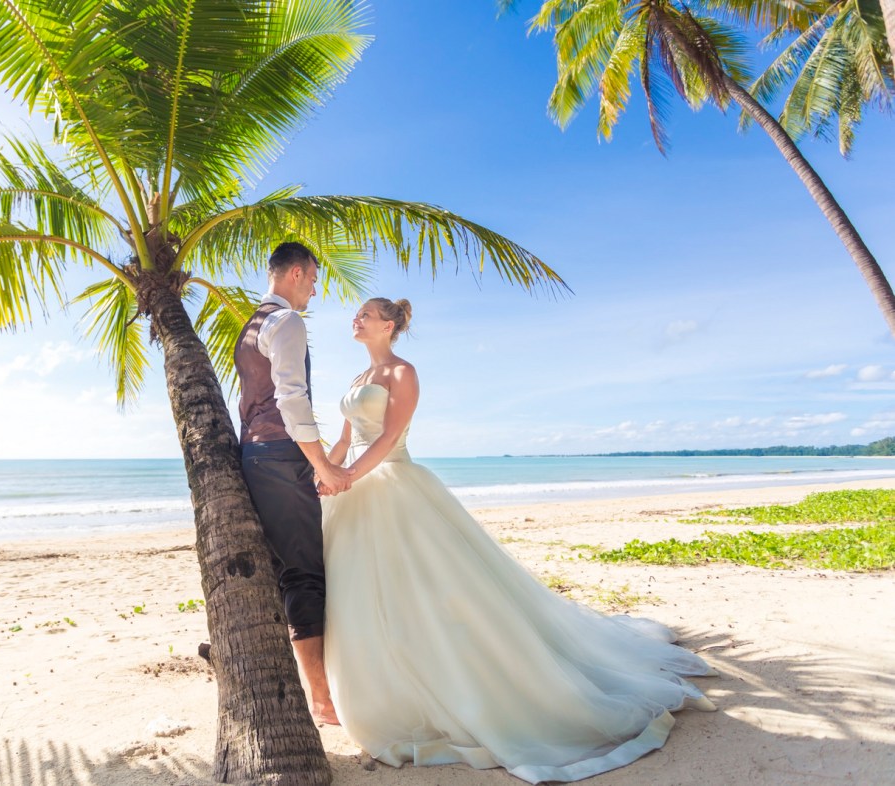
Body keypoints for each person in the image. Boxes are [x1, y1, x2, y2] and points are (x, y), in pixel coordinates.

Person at [320, 297, 716, 784]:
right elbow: (345, 438)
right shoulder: (357, 380)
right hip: (354, 493)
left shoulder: (404, 373)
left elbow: (388, 438)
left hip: (394, 483)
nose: (354, 320)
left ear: (388, 324)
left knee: (433, 589)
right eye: (354, 316)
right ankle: (381, 692)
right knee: (361, 592)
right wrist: (325, 473)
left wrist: (349, 474)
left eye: (364, 315)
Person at [234, 241, 353, 725]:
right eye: (315, 279)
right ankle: (323, 702)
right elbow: (291, 400)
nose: (315, 290)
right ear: (299, 273)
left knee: (296, 569)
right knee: (304, 573)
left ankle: (326, 691)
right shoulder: (286, 322)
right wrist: (321, 465)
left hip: (261, 454)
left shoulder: (252, 323)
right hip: (281, 455)